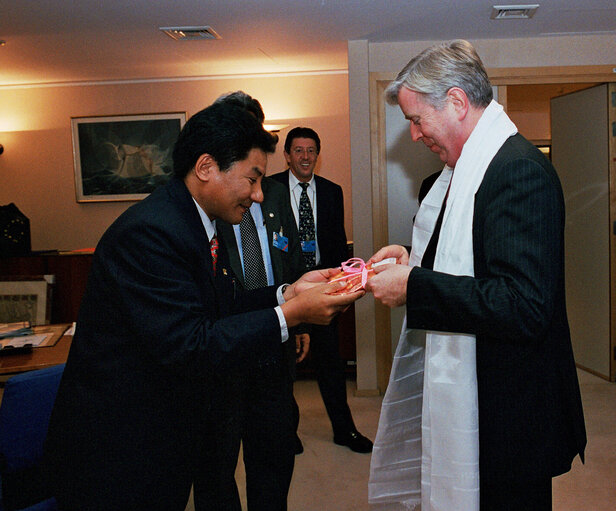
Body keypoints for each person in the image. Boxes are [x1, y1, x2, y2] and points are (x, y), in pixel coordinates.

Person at [44, 101, 360, 511]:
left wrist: (287, 292)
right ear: (207, 167)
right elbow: (192, 344)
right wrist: (291, 316)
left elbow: (223, 302)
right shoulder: (152, 233)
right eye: (252, 178)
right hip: (120, 445)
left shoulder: (196, 221)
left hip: (158, 432)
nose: (259, 195)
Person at [365, 40, 586, 510]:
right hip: (482, 393)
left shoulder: (517, 171)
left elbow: (523, 304)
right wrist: (411, 259)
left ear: (457, 102)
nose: (414, 135)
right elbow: (469, 256)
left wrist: (413, 286)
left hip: (511, 411)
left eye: (416, 119)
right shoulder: (466, 171)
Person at [194, 91, 308, 511]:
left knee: (275, 452)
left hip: (273, 346)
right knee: (216, 465)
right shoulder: (202, 209)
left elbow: (290, 256)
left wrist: (297, 320)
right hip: (223, 354)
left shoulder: (273, 194)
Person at [271, 127, 373, 454]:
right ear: (287, 155)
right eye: (298, 150)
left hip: (324, 285)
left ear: (318, 154)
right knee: (285, 364)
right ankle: (287, 432)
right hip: (286, 288)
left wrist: (343, 286)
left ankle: (344, 430)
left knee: (331, 363)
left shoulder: (332, 191)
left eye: (311, 150)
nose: (305, 156)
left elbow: (338, 242)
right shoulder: (268, 188)